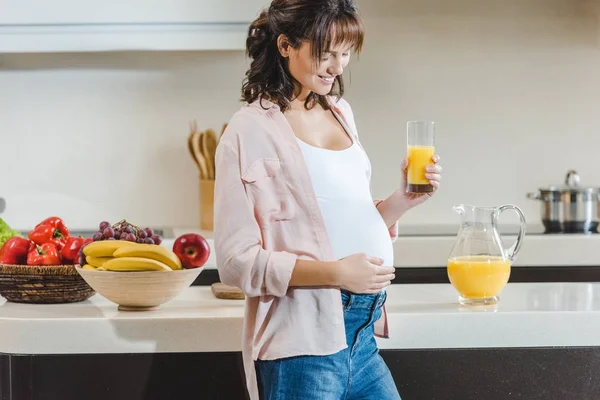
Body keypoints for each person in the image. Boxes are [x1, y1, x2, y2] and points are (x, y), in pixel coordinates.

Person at [214, 0, 443, 399]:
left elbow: (336, 218)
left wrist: (400, 200)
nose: (338, 67)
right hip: (303, 342)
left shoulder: (340, 112)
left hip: (362, 332)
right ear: (286, 45)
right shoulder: (246, 131)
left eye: (345, 52)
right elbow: (236, 263)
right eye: (326, 53)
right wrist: (336, 274)